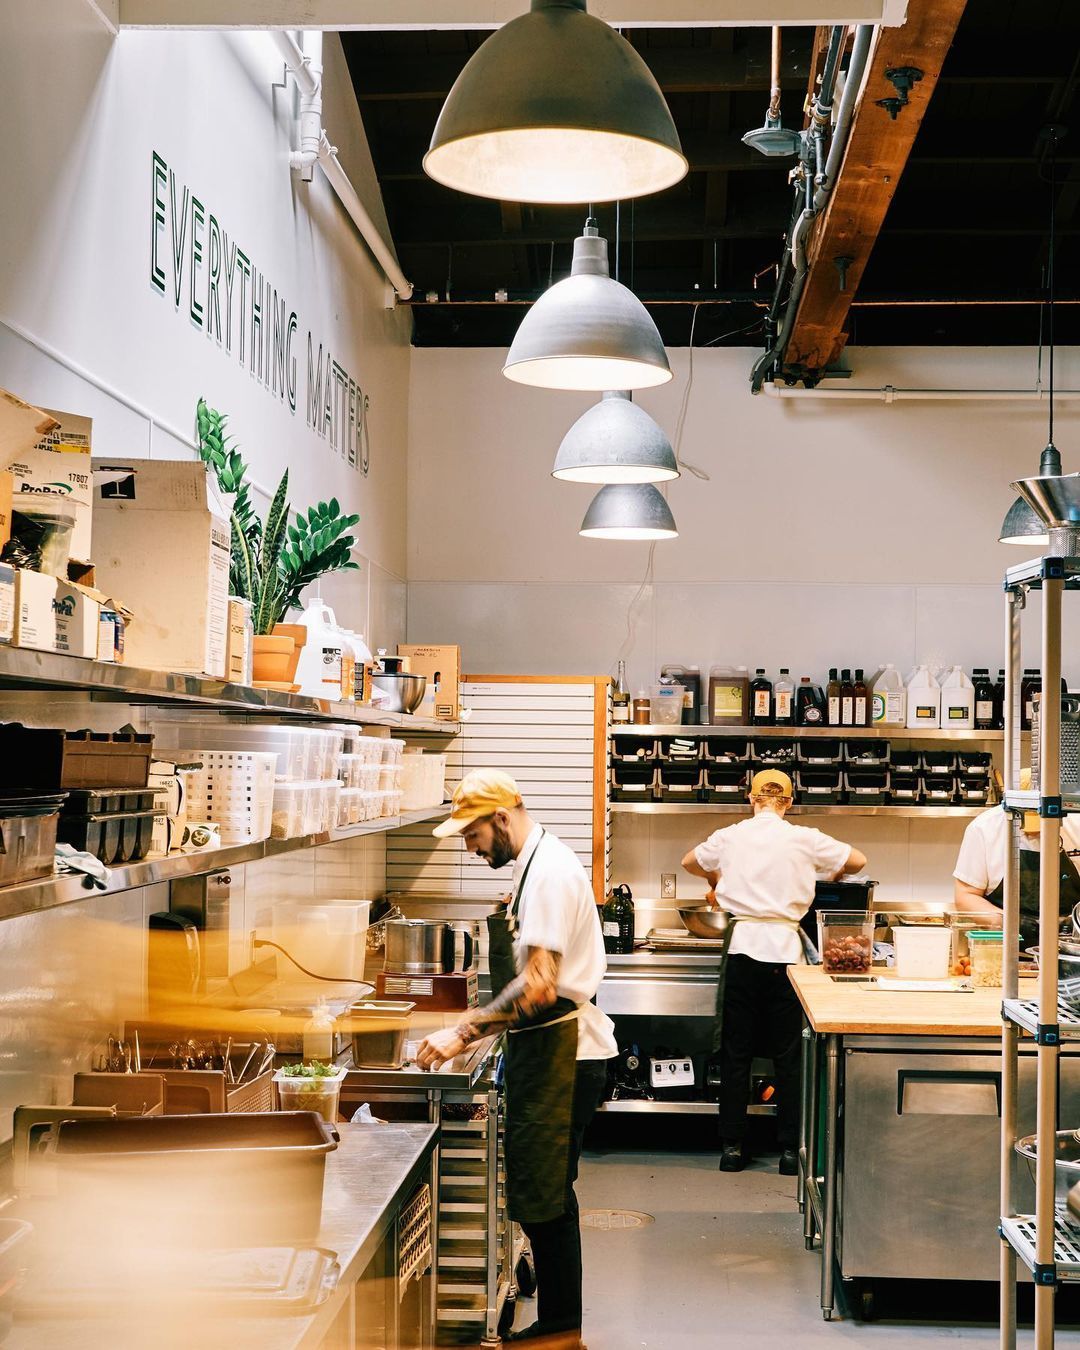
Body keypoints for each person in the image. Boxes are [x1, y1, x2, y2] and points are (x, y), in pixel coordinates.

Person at [416, 770, 617, 1349]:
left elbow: (536, 987)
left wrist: (464, 1032)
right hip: (548, 1050)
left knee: (546, 1201)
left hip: (565, 1055)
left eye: (472, 835)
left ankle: (560, 1333)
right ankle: (561, 1327)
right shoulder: (534, 866)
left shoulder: (550, 874)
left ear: (502, 818)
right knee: (547, 1198)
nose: (470, 848)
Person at [681, 769, 867, 1174]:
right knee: (790, 1055)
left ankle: (731, 1148)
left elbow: (689, 861)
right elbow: (858, 861)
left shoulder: (731, 835)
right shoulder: (804, 837)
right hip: (786, 957)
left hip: (744, 949)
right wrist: (827, 874)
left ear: (751, 798)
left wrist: (717, 879)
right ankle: (788, 1152)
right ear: (789, 801)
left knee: (736, 1053)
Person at [953, 770, 1080, 945]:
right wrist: (1011, 923)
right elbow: (966, 897)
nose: (1034, 831)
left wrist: (1072, 925)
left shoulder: (1077, 824)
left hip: (1069, 947)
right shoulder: (984, 828)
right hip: (1001, 947)